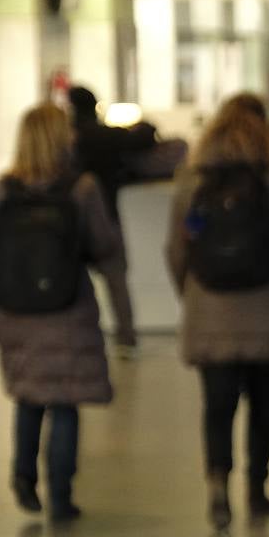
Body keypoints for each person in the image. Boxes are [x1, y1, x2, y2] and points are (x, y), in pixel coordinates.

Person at [166, 93, 269, 530]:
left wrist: (192, 294)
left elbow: (177, 249)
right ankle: (257, 488)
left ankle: (218, 485)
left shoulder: (193, 183)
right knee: (262, 403)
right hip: (266, 309)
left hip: (210, 311)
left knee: (216, 406)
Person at [0, 103, 126, 522]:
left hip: (16, 311)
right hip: (67, 307)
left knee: (29, 396)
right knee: (64, 402)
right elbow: (105, 246)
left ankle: (23, 478)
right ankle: (61, 495)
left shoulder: (2, 190)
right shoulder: (82, 189)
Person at [67, 85, 151, 353]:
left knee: (71, 279)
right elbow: (145, 136)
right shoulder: (105, 135)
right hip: (106, 214)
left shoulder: (67, 140)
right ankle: (126, 337)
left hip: (69, 221)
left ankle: (74, 335)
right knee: (116, 279)